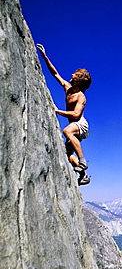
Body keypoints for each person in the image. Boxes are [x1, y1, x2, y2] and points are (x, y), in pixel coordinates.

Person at [36, 44, 91, 185]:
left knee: (67, 131)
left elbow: (75, 114)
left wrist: (56, 110)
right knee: (66, 155)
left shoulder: (80, 96)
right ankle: (84, 175)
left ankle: (83, 160)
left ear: (79, 81)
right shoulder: (68, 88)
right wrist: (45, 57)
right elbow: (55, 74)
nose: (72, 75)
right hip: (74, 125)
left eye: (75, 75)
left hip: (80, 124)